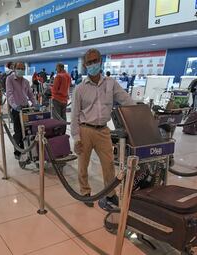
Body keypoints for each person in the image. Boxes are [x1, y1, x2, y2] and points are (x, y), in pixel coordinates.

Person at [70, 48, 134, 208]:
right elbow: (75, 115)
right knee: (83, 164)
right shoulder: (80, 88)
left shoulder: (111, 83)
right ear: (85, 65)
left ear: (101, 61)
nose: (93, 64)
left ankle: (111, 194)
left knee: (109, 164)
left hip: (104, 130)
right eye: (89, 62)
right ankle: (85, 192)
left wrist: (141, 110)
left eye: (95, 60)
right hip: (85, 130)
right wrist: (76, 138)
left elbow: (126, 99)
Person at [6, 62, 38, 159]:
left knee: (28, 130)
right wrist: (14, 106)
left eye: (23, 68)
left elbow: (30, 94)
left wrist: (35, 104)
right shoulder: (10, 79)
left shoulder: (25, 81)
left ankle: (27, 148)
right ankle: (18, 151)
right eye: (19, 68)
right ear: (14, 68)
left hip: (26, 108)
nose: (21, 70)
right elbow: (9, 94)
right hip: (16, 109)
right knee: (18, 131)